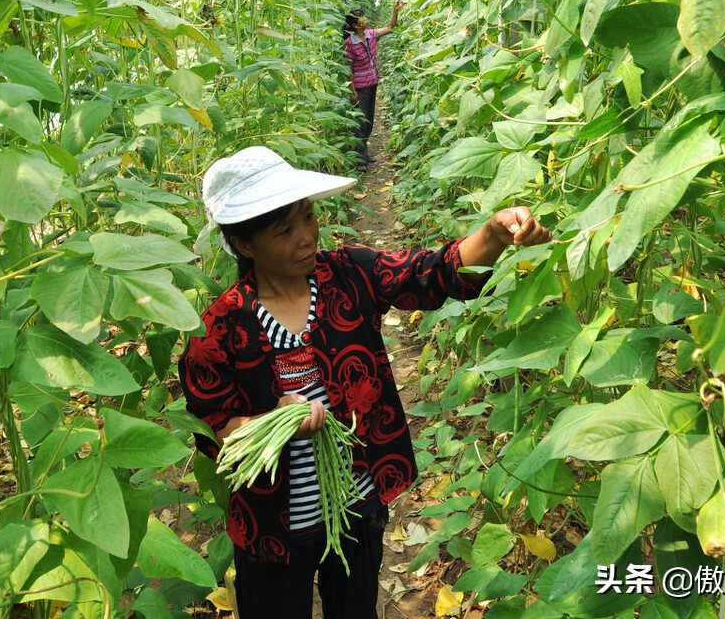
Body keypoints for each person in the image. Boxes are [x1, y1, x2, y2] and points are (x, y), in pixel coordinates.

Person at [178, 146, 551, 619]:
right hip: (272, 523)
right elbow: (214, 430)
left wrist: (495, 234)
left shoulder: (349, 275)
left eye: (308, 218)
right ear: (245, 245)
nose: (306, 237)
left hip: (357, 501)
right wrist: (274, 423)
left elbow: (430, 274)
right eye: (284, 230)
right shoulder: (218, 331)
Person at [342, 0, 403, 167]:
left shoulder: (370, 34)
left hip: (372, 83)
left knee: (368, 120)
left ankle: (364, 153)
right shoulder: (350, 43)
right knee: (360, 123)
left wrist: (395, 10)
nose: (365, 19)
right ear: (355, 25)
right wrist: (352, 92)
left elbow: (391, 28)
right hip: (360, 88)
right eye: (361, 17)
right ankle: (360, 160)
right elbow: (349, 70)